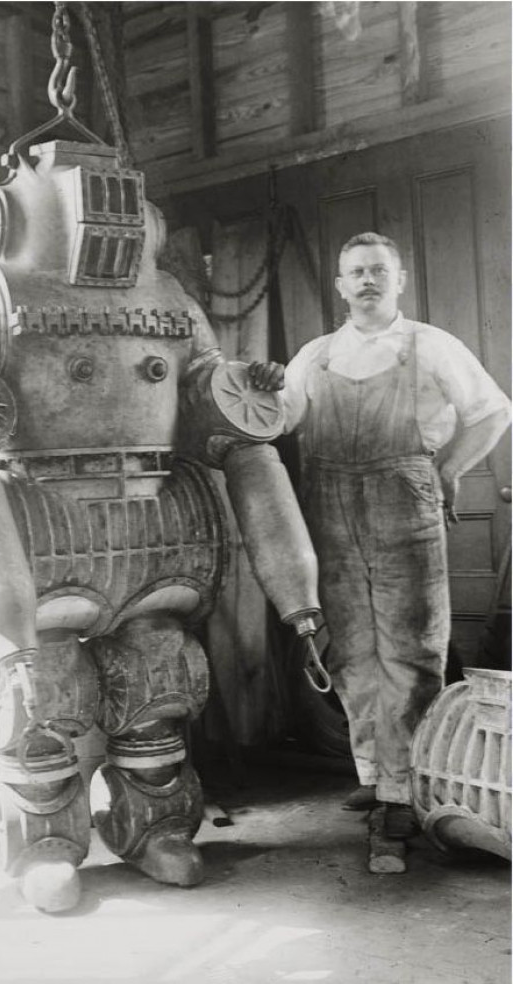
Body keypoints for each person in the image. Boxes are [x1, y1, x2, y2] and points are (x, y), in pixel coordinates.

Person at [250, 231, 510, 843]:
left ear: (398, 281)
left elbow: (493, 411)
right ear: (341, 286)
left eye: (377, 271)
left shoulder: (433, 345)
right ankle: (373, 771)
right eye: (355, 273)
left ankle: (414, 781)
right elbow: (276, 420)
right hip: (330, 510)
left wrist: (447, 469)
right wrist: (261, 384)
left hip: (405, 500)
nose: (366, 281)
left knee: (414, 647)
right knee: (350, 649)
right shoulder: (315, 356)